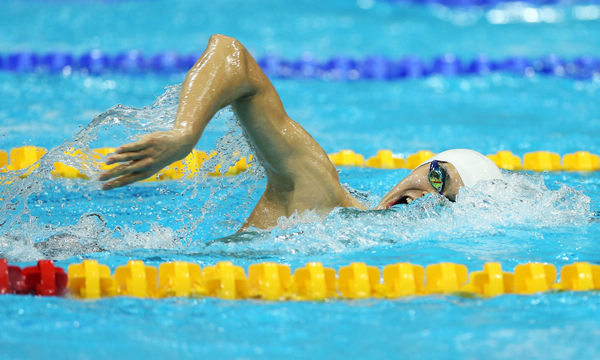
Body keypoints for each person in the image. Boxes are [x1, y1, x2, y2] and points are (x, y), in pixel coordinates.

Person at [99, 34, 501, 229]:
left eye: (446, 202)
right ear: (417, 168)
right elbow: (230, 57)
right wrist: (185, 133)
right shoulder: (321, 195)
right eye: (437, 176)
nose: (428, 196)